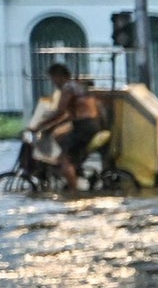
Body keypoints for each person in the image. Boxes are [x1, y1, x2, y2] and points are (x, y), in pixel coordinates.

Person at [27, 63, 103, 192]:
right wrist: (50, 127)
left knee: (64, 159)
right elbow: (69, 115)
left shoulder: (68, 87)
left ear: (58, 76)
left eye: (52, 78)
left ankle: (73, 192)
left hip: (84, 126)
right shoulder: (77, 87)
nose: (53, 83)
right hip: (91, 124)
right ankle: (77, 170)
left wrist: (39, 125)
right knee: (60, 136)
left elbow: (60, 111)